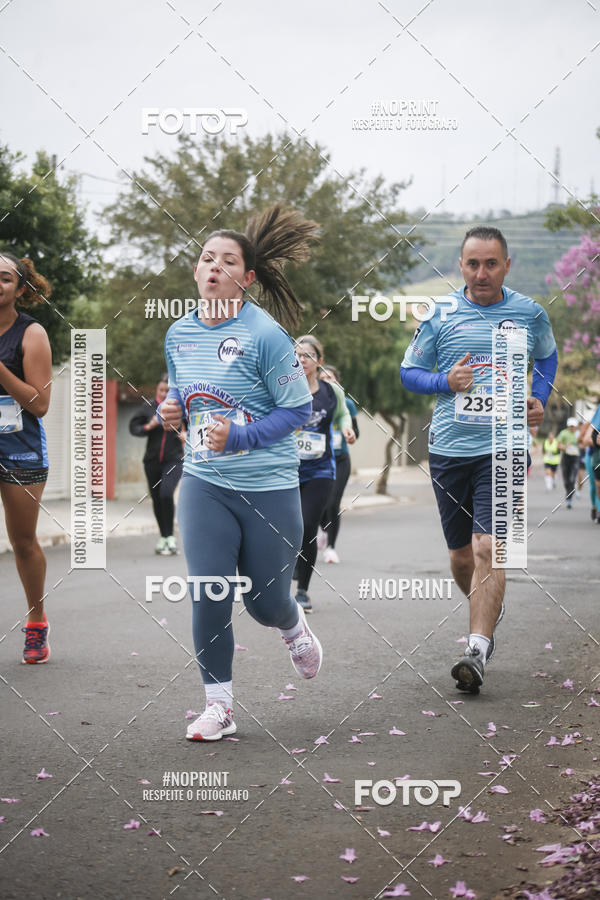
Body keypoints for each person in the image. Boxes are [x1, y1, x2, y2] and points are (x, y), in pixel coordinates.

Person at [160, 205, 323, 741]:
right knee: (209, 590)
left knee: (264, 603)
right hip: (205, 482)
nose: (215, 267)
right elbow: (183, 393)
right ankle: (219, 706)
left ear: (247, 278)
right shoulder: (179, 333)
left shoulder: (266, 335)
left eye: (228, 261)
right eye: (207, 258)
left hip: (268, 487)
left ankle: (292, 625)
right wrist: (170, 409)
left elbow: (297, 409)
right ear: (196, 271)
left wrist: (241, 437)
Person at [400, 225, 557, 694]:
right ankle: (486, 607)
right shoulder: (440, 313)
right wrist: (444, 382)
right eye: (473, 264)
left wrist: (539, 397)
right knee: (461, 556)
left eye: (491, 264)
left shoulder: (530, 313)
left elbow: (547, 358)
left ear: (507, 265)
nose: (482, 273)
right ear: (460, 266)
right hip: (450, 449)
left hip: (506, 446)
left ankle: (477, 648)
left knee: (490, 547)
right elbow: (409, 373)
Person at [0, 252, 53, 664]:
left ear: (20, 289)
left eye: (4, 278)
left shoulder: (31, 333)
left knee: (22, 541)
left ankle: (36, 620)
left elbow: (40, 404)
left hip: (19, 448)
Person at [293, 337, 355, 610]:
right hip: (285, 470)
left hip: (320, 469)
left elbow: (342, 415)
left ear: (319, 360)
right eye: (297, 355)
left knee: (308, 525)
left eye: (308, 355)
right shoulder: (283, 388)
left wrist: (347, 427)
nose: (301, 360)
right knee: (286, 528)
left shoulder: (331, 392)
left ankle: (302, 591)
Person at [129, 374, 185, 554]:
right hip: (152, 461)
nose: (163, 393)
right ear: (156, 389)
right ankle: (163, 537)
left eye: (167, 390)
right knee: (157, 499)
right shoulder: (148, 407)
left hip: (174, 460)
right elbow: (134, 428)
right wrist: (149, 426)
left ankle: (171, 536)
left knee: (166, 493)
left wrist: (186, 436)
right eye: (161, 390)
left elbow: (193, 428)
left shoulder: (180, 408)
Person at [318, 364, 359, 564]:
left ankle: (331, 548)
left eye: (330, 378)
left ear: (338, 381)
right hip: (319, 459)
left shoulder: (347, 404)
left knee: (333, 502)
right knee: (318, 502)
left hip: (341, 459)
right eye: (323, 378)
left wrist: (350, 435)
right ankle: (322, 528)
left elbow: (355, 431)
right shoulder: (313, 400)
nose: (327, 381)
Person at [557, 417, 580, 509]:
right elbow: (558, 445)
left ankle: (569, 499)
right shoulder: (563, 433)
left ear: (576, 426)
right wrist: (564, 446)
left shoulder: (579, 434)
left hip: (575, 458)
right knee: (566, 481)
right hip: (565, 458)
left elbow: (583, 444)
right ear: (568, 426)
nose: (572, 428)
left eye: (573, 426)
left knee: (572, 479)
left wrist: (581, 445)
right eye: (570, 426)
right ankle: (568, 492)